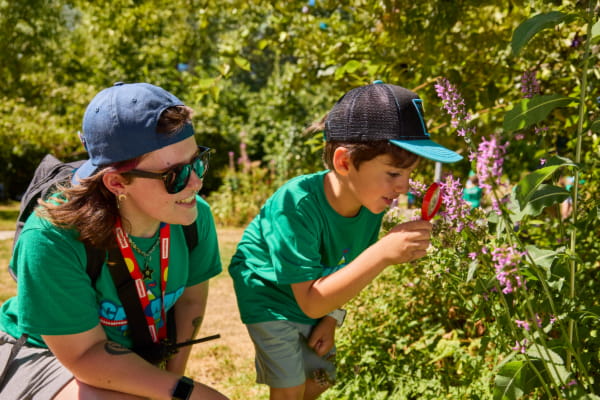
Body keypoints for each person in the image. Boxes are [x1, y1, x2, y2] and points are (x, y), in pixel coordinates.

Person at [228, 81, 463, 400]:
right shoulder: (295, 205)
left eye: (409, 175)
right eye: (394, 174)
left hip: (312, 291)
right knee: (290, 386)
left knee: (319, 380)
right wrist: (383, 252)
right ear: (344, 162)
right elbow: (311, 300)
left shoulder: (370, 205)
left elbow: (346, 270)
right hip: (267, 291)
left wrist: (331, 317)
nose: (405, 188)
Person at [0, 82, 229, 400]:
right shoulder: (51, 238)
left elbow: (190, 303)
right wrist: (187, 394)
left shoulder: (192, 216)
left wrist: (174, 383)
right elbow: (85, 354)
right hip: (40, 353)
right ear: (117, 182)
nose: (196, 182)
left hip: (116, 357)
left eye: (198, 161)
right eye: (175, 175)